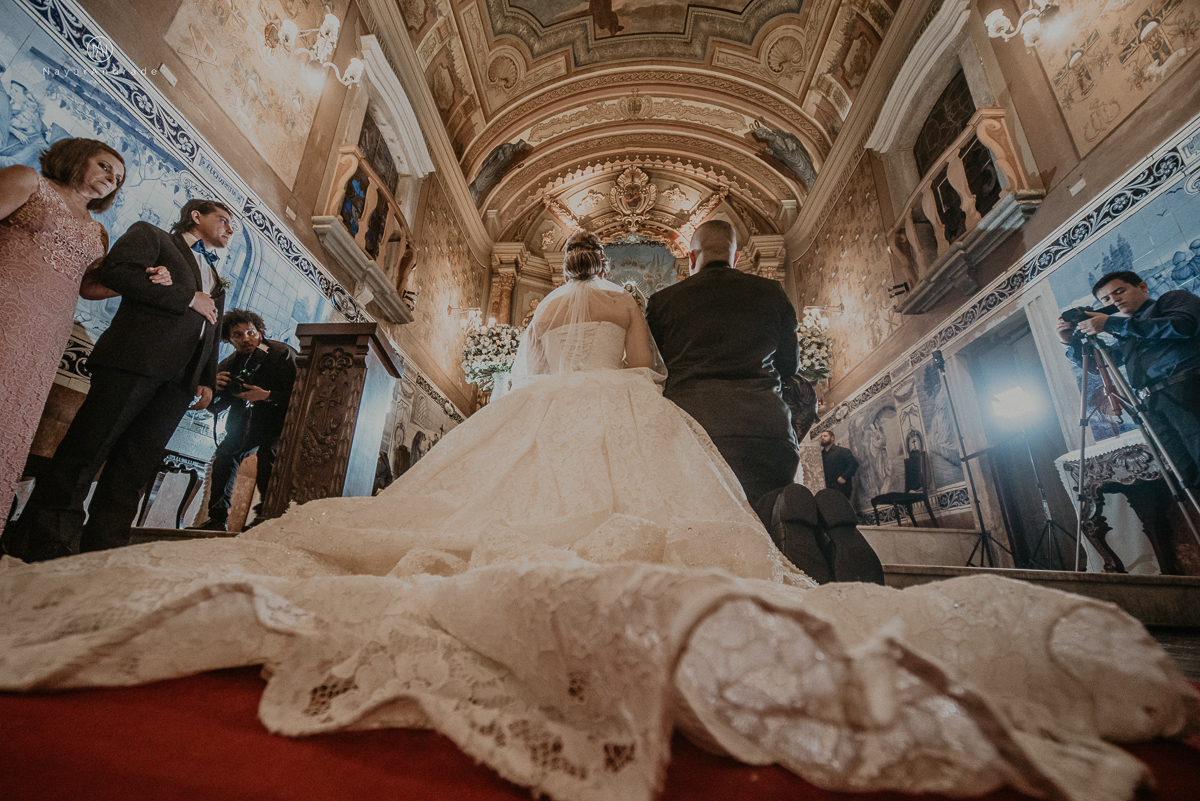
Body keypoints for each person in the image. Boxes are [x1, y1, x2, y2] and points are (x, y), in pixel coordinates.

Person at [0, 234, 1195, 801]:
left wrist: (549, 397)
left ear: (550, 269)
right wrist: (642, 407)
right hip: (616, 402)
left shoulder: (542, 304)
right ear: (606, 267)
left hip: (541, 403)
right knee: (637, 500)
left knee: (502, 494)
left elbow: (522, 375)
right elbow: (637, 367)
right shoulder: (627, 298)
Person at [646, 219, 882, 584]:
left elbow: (654, 372)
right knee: (762, 504)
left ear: (691, 256)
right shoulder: (772, 293)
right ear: (735, 255)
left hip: (694, 432)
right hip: (766, 430)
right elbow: (790, 366)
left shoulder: (662, 302)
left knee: (704, 521)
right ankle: (788, 509)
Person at [1, 199, 232, 561]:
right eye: (224, 220)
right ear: (196, 216)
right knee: (88, 450)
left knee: (136, 466)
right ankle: (45, 538)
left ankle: (105, 546)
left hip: (179, 381)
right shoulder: (154, 238)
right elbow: (115, 273)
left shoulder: (217, 278)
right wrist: (187, 295)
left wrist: (204, 377)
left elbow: (212, 327)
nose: (230, 230)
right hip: (134, 361)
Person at [0, 138, 171, 520]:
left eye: (119, 178)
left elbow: (89, 286)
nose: (112, 179)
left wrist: (144, 278)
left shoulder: (99, 233)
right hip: (6, 306)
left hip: (47, 332)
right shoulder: (29, 181)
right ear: (75, 158)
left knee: (12, 413)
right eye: (105, 166)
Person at [1057, 269, 1200, 489]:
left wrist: (1111, 324)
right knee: (1187, 474)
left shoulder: (1171, 300)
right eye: (1105, 299)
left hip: (1187, 388)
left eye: (1119, 291)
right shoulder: (1129, 331)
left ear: (1142, 287)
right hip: (1152, 404)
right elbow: (1101, 365)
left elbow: (1183, 325)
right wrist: (1071, 343)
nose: (1113, 300)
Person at [191, 309, 297, 532]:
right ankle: (218, 519)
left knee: (269, 459)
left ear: (260, 332)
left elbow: (303, 396)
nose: (245, 339)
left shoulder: (282, 353)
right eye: (237, 335)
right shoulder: (229, 364)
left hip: (280, 423)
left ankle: (266, 518)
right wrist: (214, 388)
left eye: (250, 332)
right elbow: (215, 406)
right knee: (225, 457)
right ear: (229, 339)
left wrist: (267, 395)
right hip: (244, 424)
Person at [819, 430, 859, 499]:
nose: (822, 438)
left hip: (842, 487)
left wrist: (844, 476)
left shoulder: (842, 451)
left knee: (842, 507)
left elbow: (854, 463)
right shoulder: (820, 455)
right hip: (827, 488)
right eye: (821, 437)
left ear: (832, 438)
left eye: (825, 436)